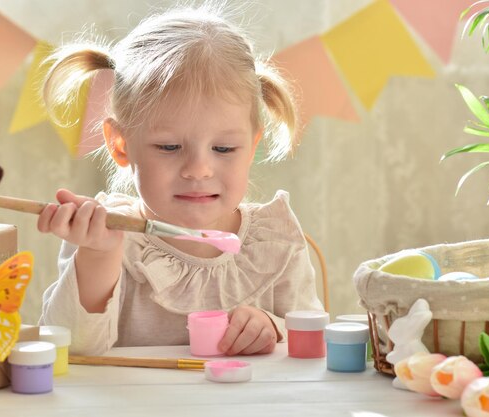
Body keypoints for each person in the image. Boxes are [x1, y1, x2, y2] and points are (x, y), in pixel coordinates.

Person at [37, 3, 324, 356]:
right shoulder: (105, 233)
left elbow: (315, 345)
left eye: (223, 148)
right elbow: (71, 351)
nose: (198, 169)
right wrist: (99, 256)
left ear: (251, 148)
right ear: (121, 145)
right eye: (169, 146)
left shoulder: (275, 239)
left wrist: (274, 328)